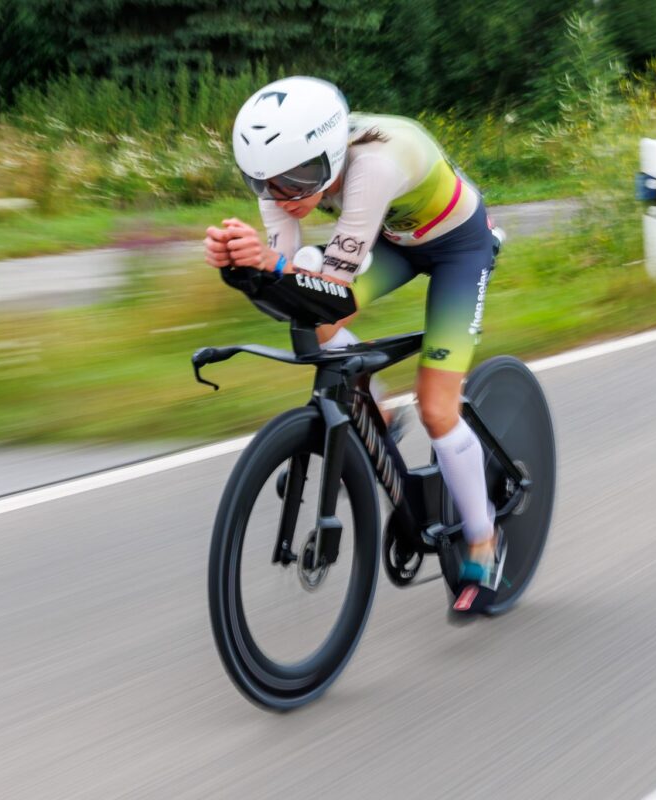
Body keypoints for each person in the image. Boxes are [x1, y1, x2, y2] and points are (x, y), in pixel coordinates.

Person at [204, 76, 502, 613]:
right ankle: (375, 409)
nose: (283, 197)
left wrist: (269, 261)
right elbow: (296, 289)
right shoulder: (282, 182)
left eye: (299, 180)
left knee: (437, 409)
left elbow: (333, 291)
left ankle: (483, 536)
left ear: (334, 154)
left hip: (459, 246)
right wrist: (243, 264)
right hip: (397, 242)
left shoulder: (375, 167)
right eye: (263, 183)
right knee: (312, 315)